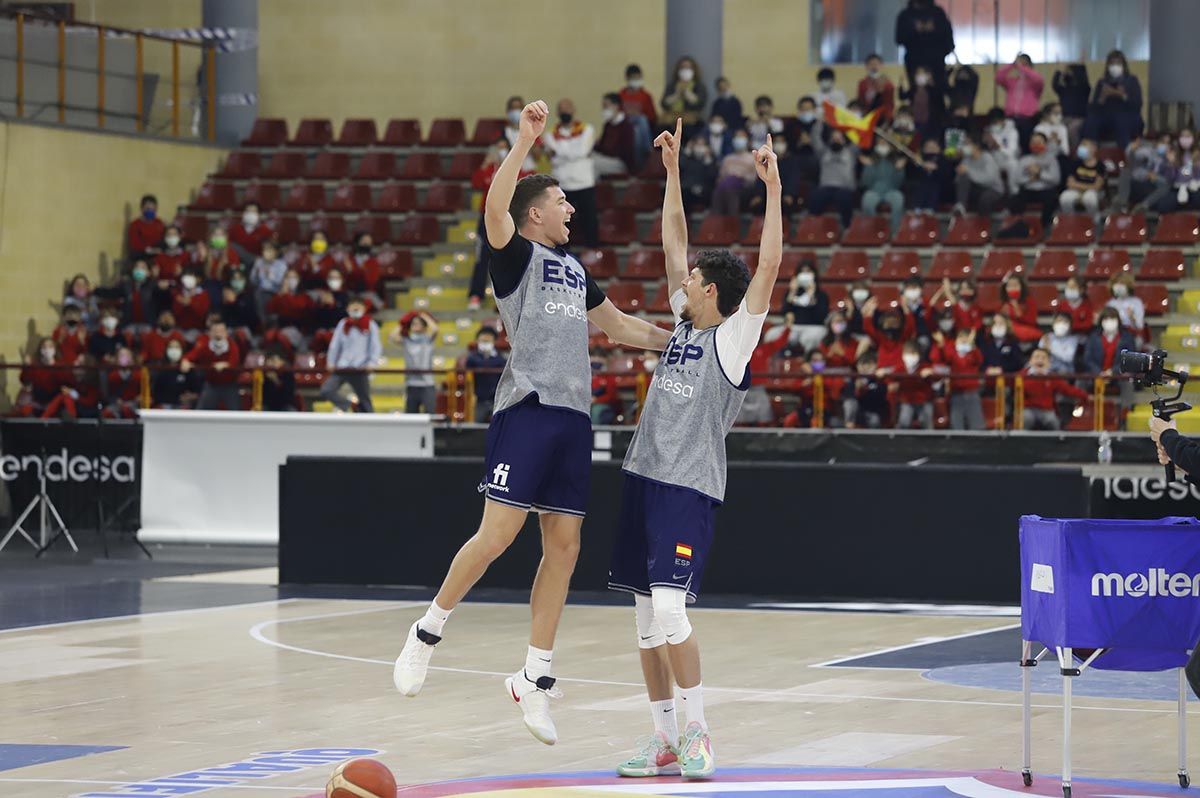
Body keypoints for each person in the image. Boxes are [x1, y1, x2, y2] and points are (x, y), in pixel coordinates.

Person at [393, 101, 671, 747]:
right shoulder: (513, 256)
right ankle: (426, 632)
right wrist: (523, 143)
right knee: (496, 536)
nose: (573, 210)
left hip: (575, 419)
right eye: (563, 202)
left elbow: (622, 327)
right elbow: (494, 210)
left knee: (565, 550)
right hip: (529, 409)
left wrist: (679, 339)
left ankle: (534, 678)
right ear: (536, 212)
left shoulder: (576, 270)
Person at [609, 123, 781, 780]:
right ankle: (661, 740)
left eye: (693, 277)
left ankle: (700, 732)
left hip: (687, 484)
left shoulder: (733, 340)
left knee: (672, 611)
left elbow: (767, 267)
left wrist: (774, 188)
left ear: (712, 290)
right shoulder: (683, 322)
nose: (683, 277)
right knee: (647, 626)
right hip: (641, 477)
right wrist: (672, 169)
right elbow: (672, 236)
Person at [543, 98, 598, 247]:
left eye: (567, 108)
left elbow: (582, 151)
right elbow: (577, 153)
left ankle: (593, 251)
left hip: (584, 182)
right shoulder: (549, 134)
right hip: (563, 184)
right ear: (557, 112)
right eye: (561, 108)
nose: (565, 111)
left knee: (589, 221)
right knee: (562, 222)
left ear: (573, 110)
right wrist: (573, 151)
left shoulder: (587, 129)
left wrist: (559, 153)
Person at [320, 297, 382, 413]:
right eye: (353, 305)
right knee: (327, 390)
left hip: (360, 368)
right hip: (343, 366)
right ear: (348, 308)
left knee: (365, 400)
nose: (355, 308)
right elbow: (335, 345)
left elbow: (375, 346)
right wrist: (331, 362)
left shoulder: (370, 324)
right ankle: (350, 405)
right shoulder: (343, 323)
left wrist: (372, 363)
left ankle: (372, 424)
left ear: (364, 308)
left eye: (358, 305)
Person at [1082, 50, 1143, 149]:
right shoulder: (1102, 82)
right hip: (1106, 115)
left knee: (1121, 121)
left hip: (1127, 115)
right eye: (1112, 63)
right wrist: (1102, 97)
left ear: (1123, 65)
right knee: (1091, 120)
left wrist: (1122, 95)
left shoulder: (1132, 81)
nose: (1114, 66)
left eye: (1118, 63)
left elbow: (1138, 104)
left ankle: (1125, 152)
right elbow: (1093, 107)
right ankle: (1090, 149)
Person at [1083, 306, 1135, 417]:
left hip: (1118, 375)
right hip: (1097, 374)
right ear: (1101, 321)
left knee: (1128, 382)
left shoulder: (1127, 337)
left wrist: (1113, 372)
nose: (1109, 322)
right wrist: (1099, 372)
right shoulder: (1093, 337)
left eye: (1112, 319)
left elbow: (1130, 359)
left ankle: (1125, 414)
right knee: (1080, 381)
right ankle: (1080, 413)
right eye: (1106, 319)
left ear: (1118, 321)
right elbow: (1087, 359)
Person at [181, 318, 241, 411]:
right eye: (215, 331)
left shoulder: (232, 345)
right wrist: (185, 361)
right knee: (200, 411)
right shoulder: (205, 346)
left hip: (229, 385)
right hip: (211, 384)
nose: (218, 334)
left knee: (236, 411)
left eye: (221, 331)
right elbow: (192, 355)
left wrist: (226, 364)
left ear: (226, 333)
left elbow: (235, 361)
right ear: (210, 333)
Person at [895, 0, 955, 94]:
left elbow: (948, 38)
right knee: (916, 93)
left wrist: (933, 30)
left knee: (937, 94)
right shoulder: (906, 15)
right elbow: (899, 38)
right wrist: (914, 30)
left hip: (936, 62)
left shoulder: (937, 13)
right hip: (914, 61)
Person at [931, 326, 985, 430]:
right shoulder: (952, 353)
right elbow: (942, 357)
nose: (963, 341)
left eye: (966, 339)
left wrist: (971, 346)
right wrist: (941, 343)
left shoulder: (973, 353)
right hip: (956, 393)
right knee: (956, 424)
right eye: (961, 339)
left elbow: (979, 360)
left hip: (972, 392)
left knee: (976, 426)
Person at [1021, 348, 1088, 430]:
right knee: (1026, 418)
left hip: (1046, 410)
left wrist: (1085, 395)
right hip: (1028, 409)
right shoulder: (1022, 375)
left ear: (1048, 363)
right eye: (1037, 357)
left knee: (1053, 421)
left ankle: (1058, 441)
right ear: (1030, 361)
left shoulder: (1052, 377)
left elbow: (1067, 389)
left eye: (1043, 358)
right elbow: (1014, 385)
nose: (1040, 360)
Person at [1009, 132, 1061, 228]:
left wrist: (1039, 174)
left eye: (1039, 142)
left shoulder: (1051, 159)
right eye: (1033, 142)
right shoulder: (1024, 160)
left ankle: (1044, 226)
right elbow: (1018, 179)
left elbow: (1056, 179)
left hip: (1046, 190)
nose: (1036, 145)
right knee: (1014, 200)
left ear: (1045, 144)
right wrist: (1030, 178)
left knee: (1052, 199)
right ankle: (1019, 226)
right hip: (1028, 190)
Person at [392, 310, 439, 413]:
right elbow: (393, 336)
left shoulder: (428, 339)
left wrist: (423, 315)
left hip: (427, 384)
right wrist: (404, 322)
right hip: (411, 383)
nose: (415, 325)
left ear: (424, 326)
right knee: (411, 415)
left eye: (418, 323)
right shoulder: (407, 340)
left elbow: (435, 328)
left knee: (430, 413)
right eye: (413, 323)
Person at [809, 129, 858, 227]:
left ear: (844, 140)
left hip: (844, 188)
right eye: (834, 138)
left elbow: (858, 138)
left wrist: (851, 123)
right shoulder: (823, 152)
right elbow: (815, 139)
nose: (836, 140)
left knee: (844, 199)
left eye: (839, 138)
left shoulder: (851, 152)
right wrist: (820, 122)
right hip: (825, 188)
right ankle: (815, 227)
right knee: (815, 197)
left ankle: (846, 228)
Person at [1117, 132, 1173, 213]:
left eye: (1167, 143)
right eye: (1162, 142)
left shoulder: (1171, 155)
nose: (1165, 145)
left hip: (1158, 181)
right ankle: (1122, 204)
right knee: (1125, 172)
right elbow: (1134, 161)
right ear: (1156, 142)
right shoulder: (1148, 151)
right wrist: (1148, 174)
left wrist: (1170, 162)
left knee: (1167, 184)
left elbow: (1171, 175)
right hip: (1142, 179)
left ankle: (1144, 205)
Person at [996, 54, 1044, 147]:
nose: (1020, 67)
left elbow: (1038, 79)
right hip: (1010, 118)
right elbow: (999, 78)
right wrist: (1011, 65)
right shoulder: (1012, 81)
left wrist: (1022, 67)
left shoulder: (1035, 83)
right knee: (1010, 144)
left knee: (1025, 144)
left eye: (1024, 64)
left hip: (1027, 119)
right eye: (1019, 64)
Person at [860, 139, 906, 232]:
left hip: (891, 191)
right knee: (867, 200)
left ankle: (895, 231)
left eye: (885, 143)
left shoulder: (895, 161)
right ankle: (871, 231)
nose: (882, 146)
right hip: (874, 191)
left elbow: (898, 184)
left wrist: (899, 170)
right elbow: (865, 182)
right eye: (880, 143)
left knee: (899, 199)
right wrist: (869, 167)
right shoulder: (871, 160)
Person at [783, 260, 829, 352]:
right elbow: (784, 312)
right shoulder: (791, 293)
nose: (805, 274)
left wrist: (811, 295)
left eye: (808, 272)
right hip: (794, 326)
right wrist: (792, 292)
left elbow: (821, 316)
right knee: (772, 335)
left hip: (814, 327)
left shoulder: (821, 295)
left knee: (808, 338)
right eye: (802, 272)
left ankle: (807, 359)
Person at [953, 136, 1005, 216]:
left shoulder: (987, 157)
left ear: (976, 145)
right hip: (977, 188)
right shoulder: (966, 159)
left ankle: (984, 225)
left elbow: (989, 179)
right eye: (964, 144)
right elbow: (958, 181)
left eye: (967, 144)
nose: (964, 147)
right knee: (963, 176)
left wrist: (968, 171)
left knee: (985, 199)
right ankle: (960, 206)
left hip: (993, 189)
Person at [709, 130, 757, 215]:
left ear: (748, 140)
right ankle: (716, 220)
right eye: (737, 137)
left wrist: (740, 176)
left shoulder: (752, 158)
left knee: (730, 189)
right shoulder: (728, 158)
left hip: (743, 186)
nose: (739, 139)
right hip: (725, 185)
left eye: (742, 137)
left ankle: (732, 221)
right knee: (722, 189)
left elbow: (754, 178)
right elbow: (721, 176)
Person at [465, 326, 506, 422]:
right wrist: (486, 358)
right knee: (476, 426)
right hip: (479, 399)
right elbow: (470, 366)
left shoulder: (501, 358)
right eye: (483, 341)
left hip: (497, 400)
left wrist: (489, 357)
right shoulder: (472, 358)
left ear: (494, 342)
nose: (485, 344)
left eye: (488, 341)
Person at [893, 340, 934, 429]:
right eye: (907, 353)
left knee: (927, 423)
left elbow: (937, 378)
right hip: (906, 401)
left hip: (923, 401)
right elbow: (890, 379)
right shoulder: (899, 368)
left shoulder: (925, 367)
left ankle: (930, 441)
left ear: (919, 355)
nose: (910, 356)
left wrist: (931, 372)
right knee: (904, 422)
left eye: (913, 353)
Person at [1059, 139, 1106, 216]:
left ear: (1093, 148)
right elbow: (1070, 184)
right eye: (1081, 146)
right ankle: (1071, 220)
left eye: (1084, 145)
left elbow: (1097, 186)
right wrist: (1087, 186)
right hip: (1076, 190)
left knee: (1089, 198)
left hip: (1094, 192)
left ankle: (1094, 221)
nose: (1081, 148)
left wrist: (1077, 185)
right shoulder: (1075, 163)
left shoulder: (1100, 166)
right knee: (1064, 198)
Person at [593, 93, 636, 176]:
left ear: (616, 106)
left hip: (620, 162)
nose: (604, 110)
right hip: (606, 157)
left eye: (606, 106)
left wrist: (606, 151)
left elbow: (626, 152)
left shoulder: (626, 126)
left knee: (592, 164)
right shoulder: (608, 125)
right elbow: (602, 146)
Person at [843, 351, 889, 429]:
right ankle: (849, 427)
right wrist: (857, 390)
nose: (865, 367)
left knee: (875, 420)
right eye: (861, 364)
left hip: (872, 412)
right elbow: (848, 397)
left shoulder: (879, 381)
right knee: (849, 403)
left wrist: (865, 389)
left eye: (869, 364)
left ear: (875, 365)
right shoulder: (853, 380)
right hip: (857, 413)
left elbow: (879, 399)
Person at [901, 65, 946, 141]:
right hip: (914, 121)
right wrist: (901, 85)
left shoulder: (933, 90)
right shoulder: (914, 89)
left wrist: (931, 84)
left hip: (930, 122)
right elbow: (903, 97)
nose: (920, 76)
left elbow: (939, 104)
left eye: (922, 74)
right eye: (918, 74)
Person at [250, 239, 289, 327]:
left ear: (275, 252)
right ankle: (263, 324)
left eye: (269, 250)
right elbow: (252, 281)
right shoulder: (259, 262)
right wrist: (256, 272)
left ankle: (271, 324)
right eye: (265, 249)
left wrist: (269, 275)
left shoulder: (281, 265)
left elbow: (280, 282)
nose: (266, 252)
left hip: (275, 291)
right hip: (261, 291)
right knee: (257, 294)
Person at [151, 339, 200, 409]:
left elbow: (197, 391)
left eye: (177, 347)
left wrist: (190, 396)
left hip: (182, 406)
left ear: (182, 350)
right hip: (162, 406)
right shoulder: (159, 368)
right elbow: (154, 390)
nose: (174, 350)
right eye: (171, 347)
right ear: (166, 350)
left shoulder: (188, 368)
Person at [1051, 64, 1090, 151]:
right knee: (1059, 129)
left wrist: (1082, 65)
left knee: (1071, 130)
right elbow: (1055, 85)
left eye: (1069, 71)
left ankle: (1075, 151)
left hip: (1079, 118)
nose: (1067, 73)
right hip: (1064, 117)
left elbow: (1084, 80)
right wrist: (1058, 72)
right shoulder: (1064, 89)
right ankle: (1063, 151)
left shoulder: (1083, 89)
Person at [661, 56, 707, 129]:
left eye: (688, 68)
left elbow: (700, 103)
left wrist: (687, 93)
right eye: (683, 67)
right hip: (672, 117)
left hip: (690, 119)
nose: (685, 70)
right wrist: (676, 95)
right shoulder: (672, 85)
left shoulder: (699, 86)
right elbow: (664, 103)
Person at [998, 271, 1041, 343]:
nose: (1012, 288)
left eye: (1015, 285)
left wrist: (1017, 310)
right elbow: (998, 321)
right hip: (1008, 332)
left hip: (1027, 330)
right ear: (1005, 288)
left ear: (1021, 287)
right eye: (1009, 286)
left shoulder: (1030, 301)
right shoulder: (1002, 303)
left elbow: (1032, 322)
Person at [679, 137, 720, 212]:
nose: (699, 148)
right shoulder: (688, 159)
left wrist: (708, 158)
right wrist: (687, 151)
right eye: (697, 145)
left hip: (704, 191)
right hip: (688, 190)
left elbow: (712, 176)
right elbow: (680, 167)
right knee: (682, 193)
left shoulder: (711, 161)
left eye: (702, 145)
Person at [1106, 272, 1145, 347]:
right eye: (1116, 283)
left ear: (1128, 286)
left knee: (1123, 341)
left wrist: (1132, 318)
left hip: (1132, 334)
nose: (1118, 286)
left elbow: (1140, 326)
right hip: (1113, 333)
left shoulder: (1136, 302)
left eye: (1122, 283)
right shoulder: (1110, 303)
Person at [103, 346, 141, 419]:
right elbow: (108, 394)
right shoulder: (112, 376)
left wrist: (138, 398)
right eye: (121, 355)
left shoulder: (138, 375)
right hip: (116, 405)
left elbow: (142, 393)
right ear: (117, 359)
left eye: (127, 355)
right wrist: (116, 400)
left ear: (132, 359)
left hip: (134, 404)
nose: (124, 358)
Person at [857, 54, 895, 122]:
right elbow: (861, 101)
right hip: (867, 117)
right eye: (871, 64)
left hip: (883, 117)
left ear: (881, 65)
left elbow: (889, 104)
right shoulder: (862, 84)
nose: (874, 67)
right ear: (866, 66)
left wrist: (888, 119)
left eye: (876, 64)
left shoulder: (888, 84)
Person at [128, 194, 165, 258]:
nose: (150, 211)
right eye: (148, 208)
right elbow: (135, 245)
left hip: (158, 256)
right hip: (141, 256)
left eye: (153, 209)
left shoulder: (159, 223)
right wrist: (149, 250)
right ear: (142, 208)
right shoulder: (135, 225)